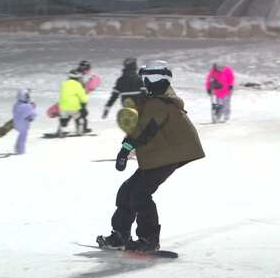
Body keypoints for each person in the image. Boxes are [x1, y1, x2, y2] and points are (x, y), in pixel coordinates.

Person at [97, 60, 205, 252]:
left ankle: (149, 240)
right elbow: (141, 126)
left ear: (153, 79)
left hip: (168, 155)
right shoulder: (156, 99)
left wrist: (125, 149)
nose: (143, 83)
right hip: (160, 155)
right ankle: (120, 235)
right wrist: (126, 147)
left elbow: (145, 131)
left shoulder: (160, 103)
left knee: (140, 194)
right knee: (127, 191)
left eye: (145, 79)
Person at [57, 70, 89, 136]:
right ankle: (80, 132)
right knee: (79, 119)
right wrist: (84, 102)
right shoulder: (77, 85)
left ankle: (61, 129)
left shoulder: (64, 84)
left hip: (63, 107)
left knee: (63, 119)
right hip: (74, 107)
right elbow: (82, 95)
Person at [13, 89, 36, 154]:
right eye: (27, 96)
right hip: (24, 124)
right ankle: (21, 151)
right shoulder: (27, 106)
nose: (28, 97)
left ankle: (17, 147)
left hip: (16, 123)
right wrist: (33, 107)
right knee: (23, 137)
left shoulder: (16, 104)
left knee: (20, 135)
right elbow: (33, 114)